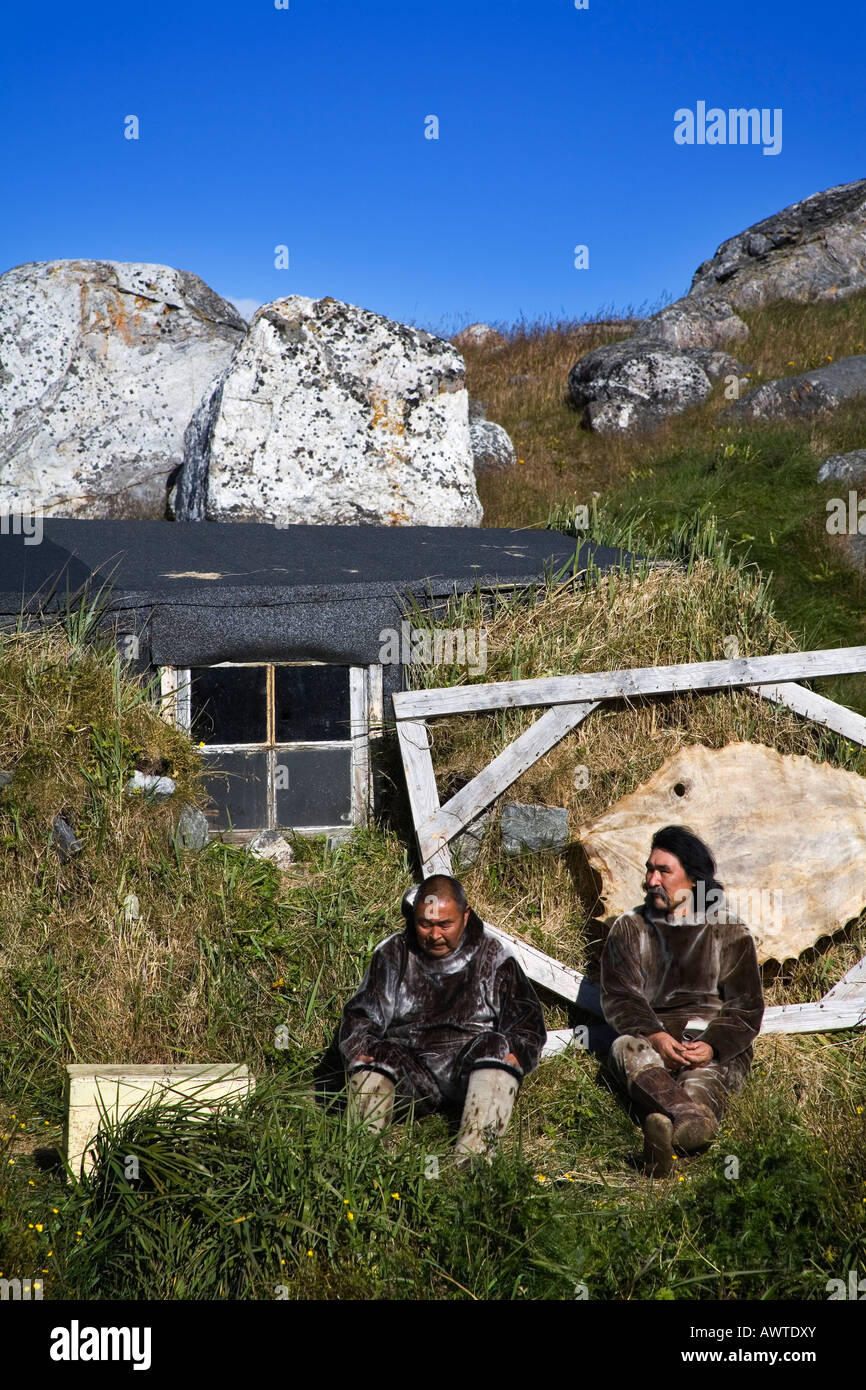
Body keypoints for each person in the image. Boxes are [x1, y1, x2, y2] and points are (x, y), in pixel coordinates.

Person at [338, 873, 547, 1161]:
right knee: (375, 1055)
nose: (434, 935)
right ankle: (355, 1157)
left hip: (471, 1069)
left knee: (498, 1045)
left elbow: (527, 1020)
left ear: (465, 915)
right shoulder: (393, 953)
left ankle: (474, 1159)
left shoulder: (494, 955)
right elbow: (361, 1016)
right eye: (425, 924)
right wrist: (358, 1054)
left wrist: (518, 1055)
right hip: (411, 1072)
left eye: (444, 924)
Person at [600, 824, 764, 1177]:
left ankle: (667, 1140)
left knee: (703, 1081)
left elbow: (746, 1006)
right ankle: (686, 1125)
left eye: (663, 871)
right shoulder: (629, 928)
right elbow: (620, 995)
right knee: (626, 1047)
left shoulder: (728, 929)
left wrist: (712, 1046)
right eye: (649, 868)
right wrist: (656, 1035)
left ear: (692, 879)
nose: (651, 879)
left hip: (709, 1044)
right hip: (653, 1041)